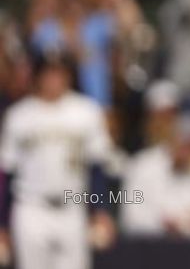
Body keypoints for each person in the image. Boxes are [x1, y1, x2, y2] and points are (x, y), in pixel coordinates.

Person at [0, 49, 116, 269]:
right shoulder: (19, 115)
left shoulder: (86, 111)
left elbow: (96, 166)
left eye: (60, 73)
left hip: (72, 209)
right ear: (37, 76)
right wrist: (1, 224)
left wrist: (101, 210)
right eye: (48, 73)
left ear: (69, 76)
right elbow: (6, 173)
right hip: (31, 207)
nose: (54, 79)